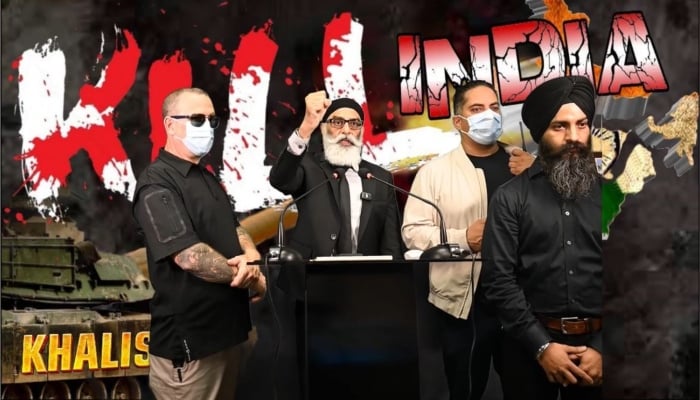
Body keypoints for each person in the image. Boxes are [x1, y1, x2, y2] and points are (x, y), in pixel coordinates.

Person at [401, 80, 535, 400]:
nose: (488, 115)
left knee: (528, 390)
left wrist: (539, 174)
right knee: (465, 391)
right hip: (464, 305)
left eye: (493, 107)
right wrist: (462, 238)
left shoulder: (524, 164)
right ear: (458, 121)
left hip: (523, 302)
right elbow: (413, 232)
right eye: (477, 109)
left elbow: (558, 222)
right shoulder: (434, 172)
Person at [132, 87, 266, 400]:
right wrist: (250, 278)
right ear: (169, 124)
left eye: (211, 120)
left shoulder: (205, 176)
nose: (206, 127)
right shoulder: (156, 183)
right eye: (196, 119)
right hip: (192, 349)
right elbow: (189, 257)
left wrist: (250, 253)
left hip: (231, 336)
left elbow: (234, 227)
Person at [480, 75, 603, 400]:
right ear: (540, 134)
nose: (574, 137)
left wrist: (603, 348)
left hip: (599, 353)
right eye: (559, 127)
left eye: (581, 124)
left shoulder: (613, 195)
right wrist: (542, 347)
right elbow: (498, 280)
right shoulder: (510, 198)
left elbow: (631, 277)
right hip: (527, 349)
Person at [269, 91, 403, 259]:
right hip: (311, 276)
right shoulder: (308, 166)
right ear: (324, 128)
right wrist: (305, 129)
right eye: (337, 122)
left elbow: (391, 244)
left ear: (361, 131)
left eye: (354, 124)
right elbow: (280, 180)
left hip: (365, 277)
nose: (346, 130)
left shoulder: (380, 177)